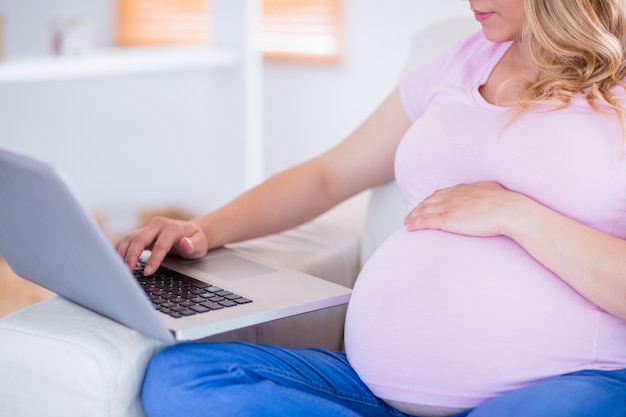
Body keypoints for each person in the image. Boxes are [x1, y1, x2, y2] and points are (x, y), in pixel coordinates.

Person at [115, 0, 626, 416]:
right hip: (369, 394)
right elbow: (328, 176)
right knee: (183, 378)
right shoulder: (461, 60)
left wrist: (517, 214)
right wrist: (201, 229)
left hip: (569, 384)